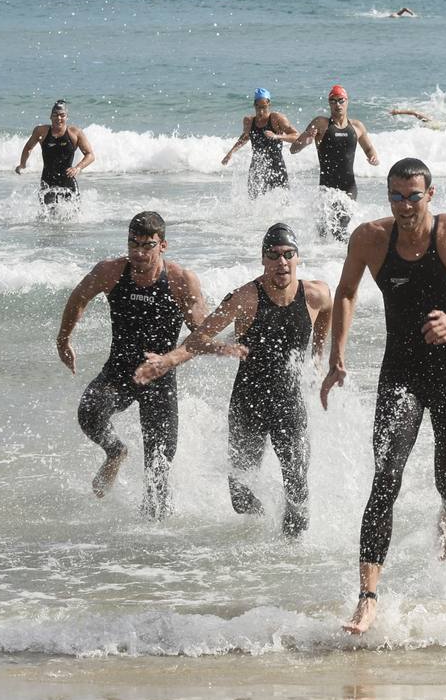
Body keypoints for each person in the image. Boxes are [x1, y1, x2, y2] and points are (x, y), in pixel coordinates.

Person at [320, 157, 446, 634]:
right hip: (401, 375)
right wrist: (338, 356)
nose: (405, 205)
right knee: (385, 476)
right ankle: (368, 596)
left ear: (430, 194)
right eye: (396, 196)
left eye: (414, 195)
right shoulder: (370, 238)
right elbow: (345, 292)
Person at [135, 223, 332, 535]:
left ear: (297, 258)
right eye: (273, 256)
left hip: (289, 403)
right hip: (248, 404)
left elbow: (329, 312)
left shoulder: (316, 294)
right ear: (263, 260)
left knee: (297, 483)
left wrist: (319, 359)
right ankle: (264, 523)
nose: (281, 262)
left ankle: (289, 558)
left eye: (288, 255)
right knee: (240, 498)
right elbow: (199, 338)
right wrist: (168, 361)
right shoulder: (245, 298)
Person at [57, 211, 206, 519]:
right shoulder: (110, 272)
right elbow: (79, 298)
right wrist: (63, 340)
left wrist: (173, 358)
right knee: (89, 412)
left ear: (163, 245)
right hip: (119, 371)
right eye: (133, 244)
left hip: (160, 380)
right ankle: (116, 452)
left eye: (147, 246)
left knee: (159, 465)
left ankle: (153, 550)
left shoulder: (181, 280)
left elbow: (200, 336)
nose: (138, 253)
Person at [291, 85, 379, 240]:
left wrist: (373, 158)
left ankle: (344, 260)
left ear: (347, 101)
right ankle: (322, 262)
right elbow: (294, 149)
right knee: (322, 233)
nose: (337, 104)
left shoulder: (357, 126)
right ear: (329, 103)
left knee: (340, 230)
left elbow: (369, 148)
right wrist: (307, 140)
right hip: (326, 189)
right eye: (333, 101)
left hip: (349, 188)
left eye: (340, 100)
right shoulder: (320, 123)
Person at [15, 100, 95, 212]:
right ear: (50, 117)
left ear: (67, 117)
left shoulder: (75, 133)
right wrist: (22, 165)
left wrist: (78, 168)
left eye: (62, 115)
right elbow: (28, 147)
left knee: (74, 215)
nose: (59, 118)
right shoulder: (41, 131)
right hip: (48, 181)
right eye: (55, 115)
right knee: (47, 217)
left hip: (68, 180)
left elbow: (90, 155)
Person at [222, 88, 302, 199]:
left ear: (269, 103)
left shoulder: (276, 118)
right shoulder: (249, 121)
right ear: (254, 105)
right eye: (258, 107)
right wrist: (231, 152)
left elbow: (297, 136)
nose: (261, 112)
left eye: (264, 107)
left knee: (284, 201)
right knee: (253, 200)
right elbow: (245, 137)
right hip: (257, 166)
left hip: (276, 166)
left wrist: (277, 136)